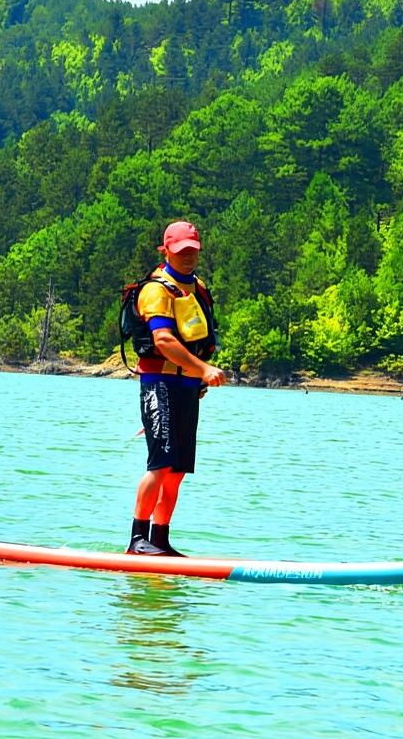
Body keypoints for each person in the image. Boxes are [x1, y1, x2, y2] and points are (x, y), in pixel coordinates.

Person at [127, 220, 226, 556]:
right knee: (160, 464)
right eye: (182, 251)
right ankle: (137, 539)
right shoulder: (156, 289)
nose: (188, 257)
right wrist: (204, 369)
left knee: (178, 470)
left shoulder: (197, 289)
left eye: (193, 251)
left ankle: (160, 539)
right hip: (160, 385)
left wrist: (198, 378)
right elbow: (164, 340)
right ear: (166, 249)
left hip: (186, 386)